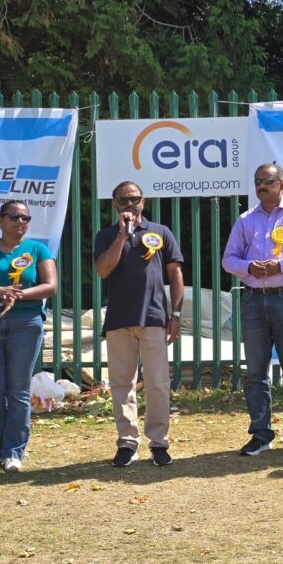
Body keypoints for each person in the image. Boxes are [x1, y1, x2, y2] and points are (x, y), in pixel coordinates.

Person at [222, 163, 283, 456]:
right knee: (255, 372)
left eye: (267, 181)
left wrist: (281, 266)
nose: (261, 187)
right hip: (253, 300)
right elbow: (228, 260)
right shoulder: (245, 220)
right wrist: (248, 267)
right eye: (257, 182)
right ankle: (261, 434)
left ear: (282, 184)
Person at [0, 200, 57, 473]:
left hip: (26, 325)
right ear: (0, 220)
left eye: (26, 218)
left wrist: (19, 295)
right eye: (14, 216)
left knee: (18, 390)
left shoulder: (38, 250)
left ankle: (14, 451)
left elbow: (50, 286)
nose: (20, 222)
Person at [94, 181, 184, 468]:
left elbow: (175, 274)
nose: (129, 204)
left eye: (134, 199)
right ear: (114, 204)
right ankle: (127, 443)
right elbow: (103, 270)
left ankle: (159, 442)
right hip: (119, 319)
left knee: (158, 383)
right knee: (122, 384)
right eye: (123, 200)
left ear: (143, 201)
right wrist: (122, 235)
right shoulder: (106, 235)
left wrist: (175, 314)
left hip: (154, 318)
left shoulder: (161, 232)